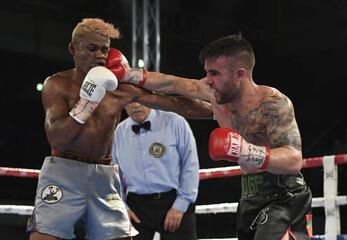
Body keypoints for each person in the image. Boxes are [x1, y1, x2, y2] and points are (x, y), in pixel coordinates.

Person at [27, 18, 212, 240]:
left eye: (105, 49)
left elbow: (175, 103)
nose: (100, 56)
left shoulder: (120, 88)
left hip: (103, 175)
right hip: (64, 170)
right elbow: (58, 138)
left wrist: (220, 111)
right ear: (73, 49)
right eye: (92, 48)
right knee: (43, 237)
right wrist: (88, 100)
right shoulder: (57, 85)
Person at [117, 34, 313, 239]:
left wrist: (247, 151)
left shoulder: (272, 104)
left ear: (240, 74)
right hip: (250, 193)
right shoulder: (216, 95)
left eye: (215, 73)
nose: (207, 81)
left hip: (285, 194)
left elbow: (293, 160)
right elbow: (174, 84)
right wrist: (129, 75)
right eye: (207, 73)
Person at [112, 102, 199, 240]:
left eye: (139, 99)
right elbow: (113, 175)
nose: (135, 105)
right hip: (136, 206)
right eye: (130, 101)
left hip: (173, 199)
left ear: (150, 98)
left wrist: (180, 206)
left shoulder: (175, 122)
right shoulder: (119, 132)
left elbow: (190, 166)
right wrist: (122, 208)